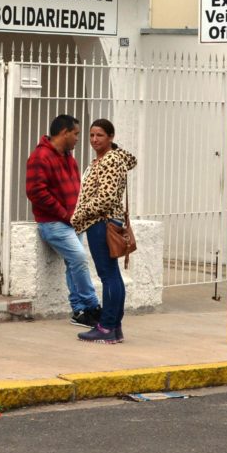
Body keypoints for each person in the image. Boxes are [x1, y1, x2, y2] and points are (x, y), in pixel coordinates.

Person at [25, 114, 100, 328]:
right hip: (53, 223)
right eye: (75, 134)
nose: (78, 138)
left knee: (73, 264)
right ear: (64, 133)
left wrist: (79, 213)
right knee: (79, 259)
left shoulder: (69, 158)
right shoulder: (40, 157)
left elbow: (78, 189)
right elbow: (36, 192)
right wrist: (65, 214)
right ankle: (93, 306)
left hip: (73, 222)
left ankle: (79, 312)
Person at [71, 119, 137, 344]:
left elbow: (106, 197)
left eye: (99, 135)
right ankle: (114, 327)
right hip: (102, 221)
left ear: (111, 137)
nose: (94, 139)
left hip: (102, 222)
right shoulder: (105, 159)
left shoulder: (110, 160)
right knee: (112, 275)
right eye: (91, 135)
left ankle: (107, 326)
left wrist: (79, 215)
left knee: (108, 275)